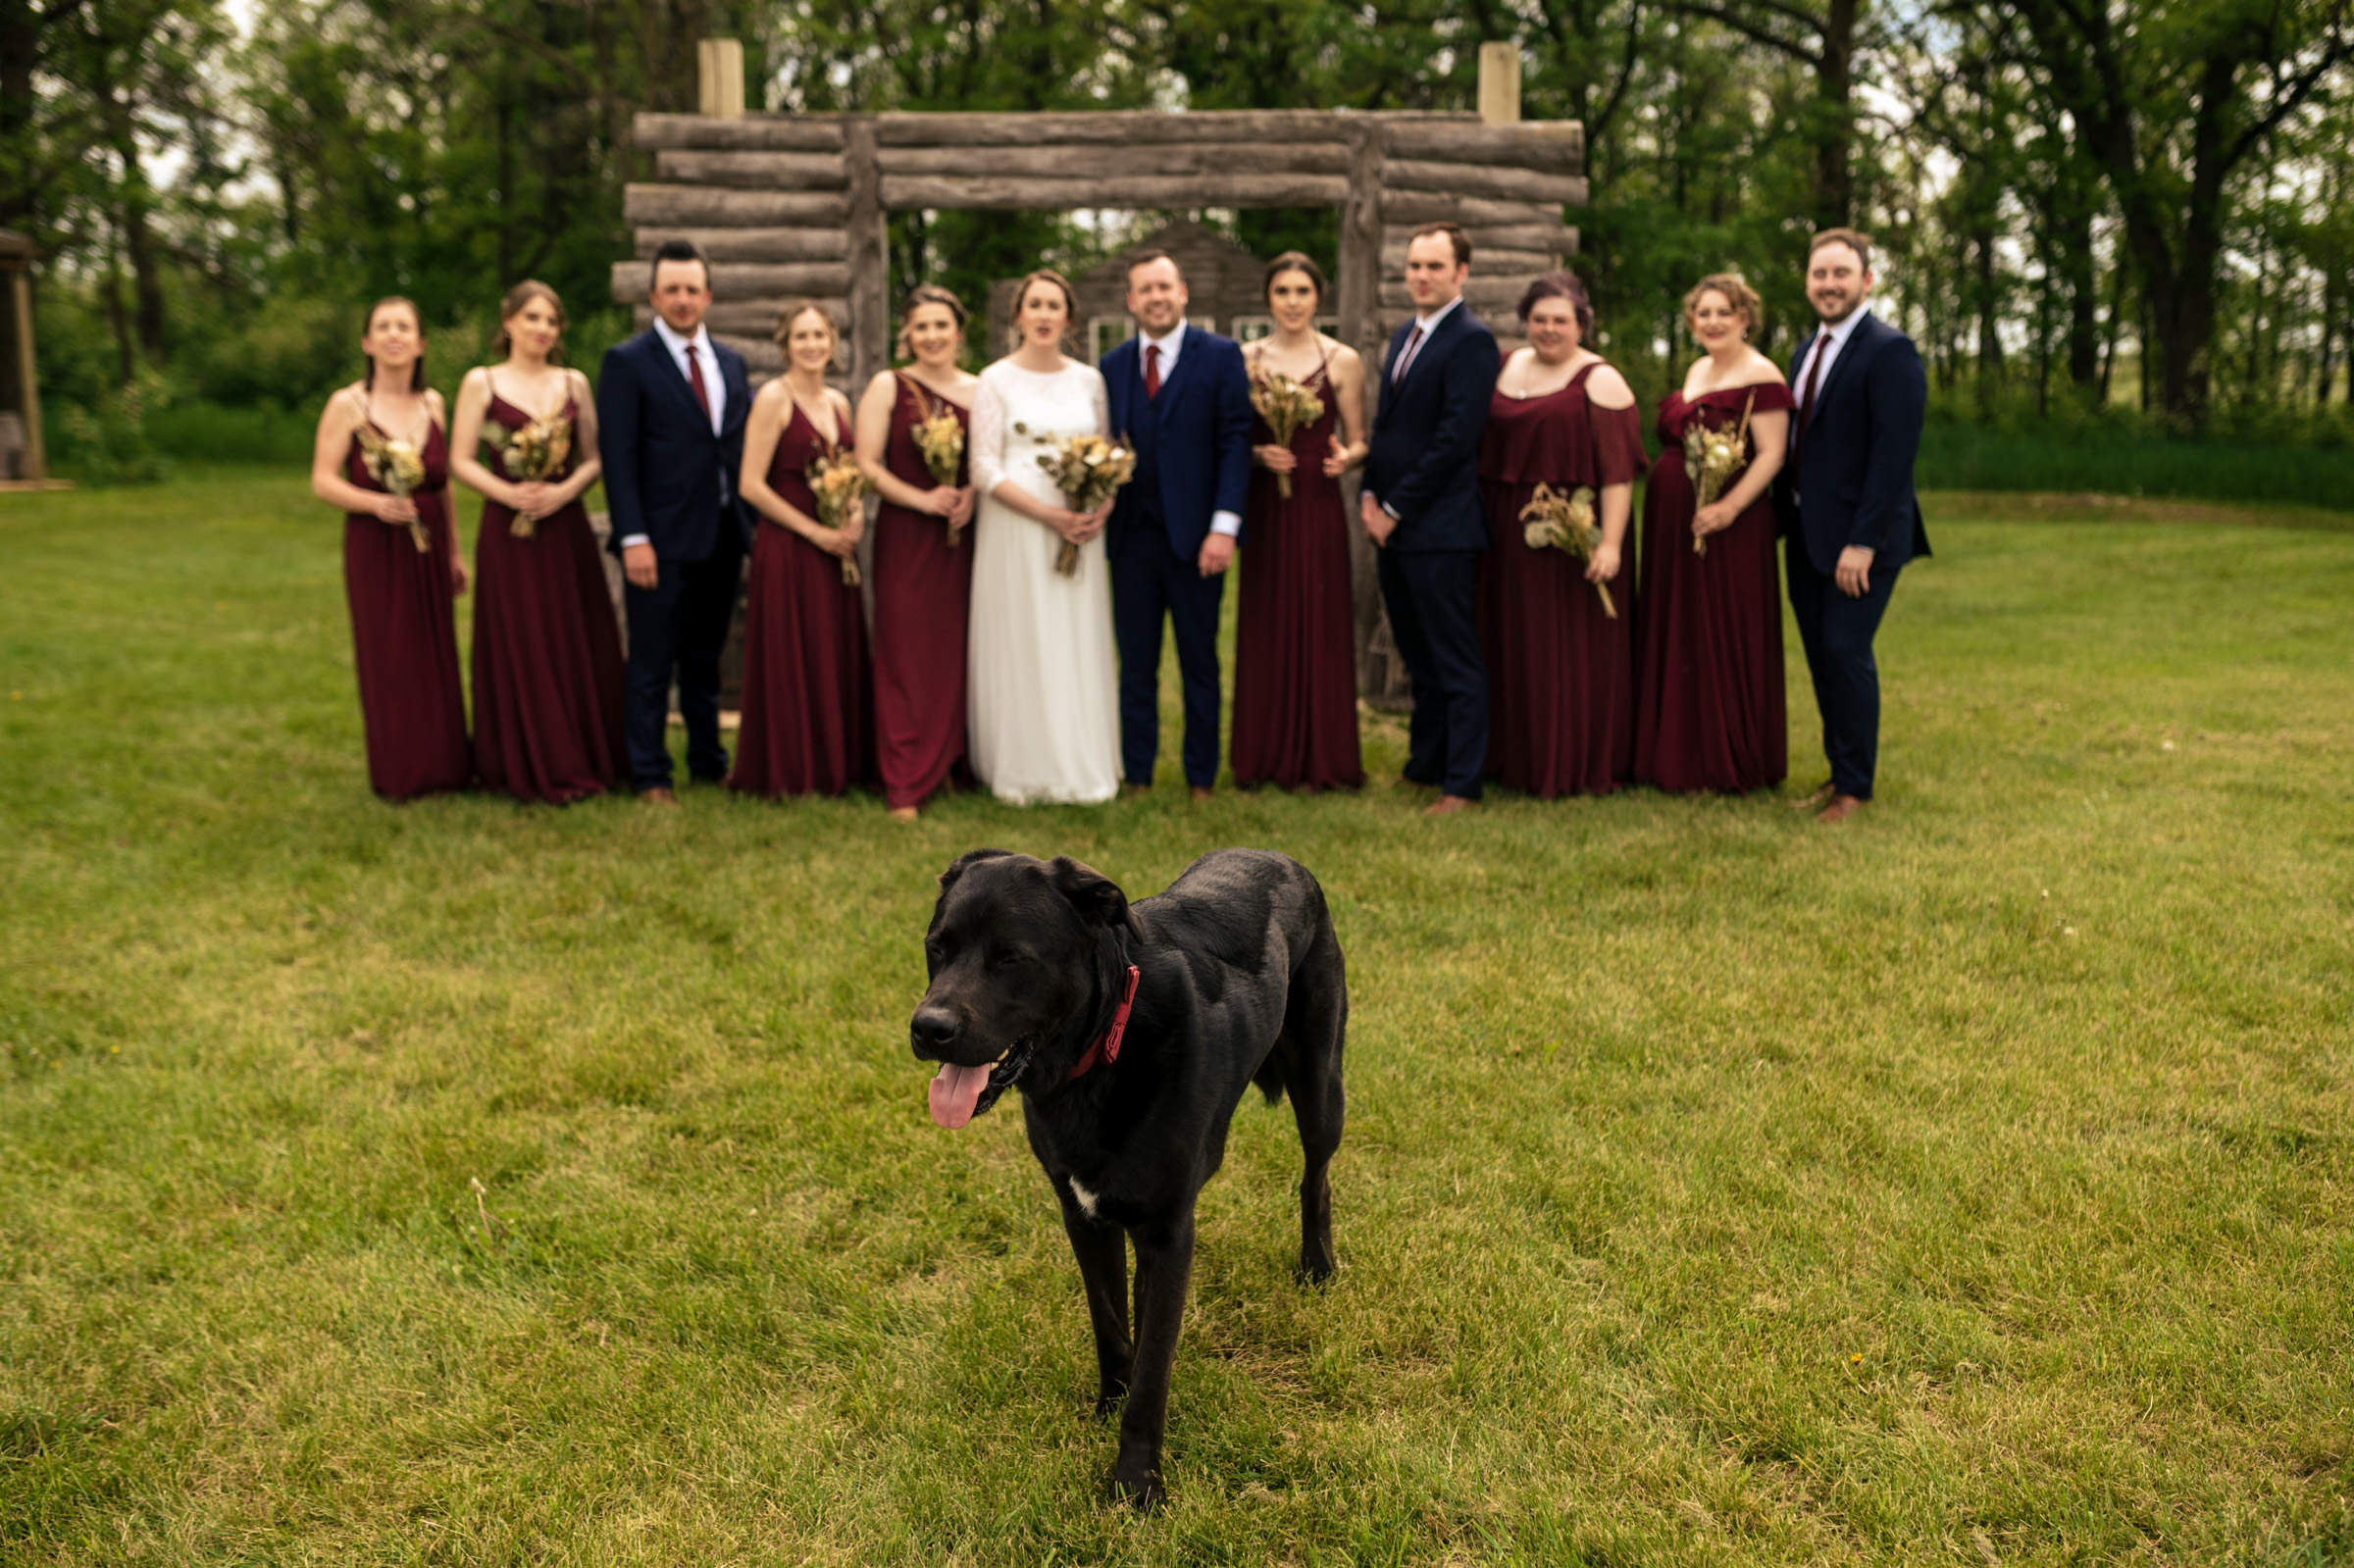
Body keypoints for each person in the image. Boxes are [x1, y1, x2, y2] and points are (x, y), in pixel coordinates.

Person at [1772, 228, 1931, 824]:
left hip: (1861, 542)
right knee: (1820, 655)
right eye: (1820, 274)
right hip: (1807, 536)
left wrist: (1862, 542)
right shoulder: (1803, 350)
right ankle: (1839, 770)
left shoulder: (1890, 351)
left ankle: (1855, 789)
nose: (1829, 284)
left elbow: (1894, 456)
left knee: (1845, 650)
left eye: (1841, 274)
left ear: (1867, 280)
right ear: (1808, 281)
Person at [446, 280, 625, 804]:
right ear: (508, 322)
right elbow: (460, 460)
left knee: (570, 635)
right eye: (532, 319)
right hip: (508, 531)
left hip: (563, 529)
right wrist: (510, 494)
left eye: (550, 321)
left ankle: (581, 752)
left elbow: (593, 456)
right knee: (520, 634)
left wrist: (564, 491)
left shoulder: (574, 384)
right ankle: (521, 758)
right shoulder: (481, 382)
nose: (542, 329)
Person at [1477, 271, 1645, 798]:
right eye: (1539, 320)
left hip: (1575, 533)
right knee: (1513, 644)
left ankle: (1569, 764)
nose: (1549, 330)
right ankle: (1513, 758)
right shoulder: (1506, 365)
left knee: (1564, 652)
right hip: (1507, 528)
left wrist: (1611, 544)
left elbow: (1618, 473)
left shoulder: (1600, 379)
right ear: (1525, 321)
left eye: (1561, 321)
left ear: (1582, 325)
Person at [596, 238, 750, 804]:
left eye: (692, 289)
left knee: (706, 659)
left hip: (720, 535)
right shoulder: (627, 362)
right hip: (657, 541)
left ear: (707, 294)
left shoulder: (731, 362)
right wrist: (632, 536)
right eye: (671, 290)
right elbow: (619, 457)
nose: (683, 300)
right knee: (652, 662)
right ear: (654, 295)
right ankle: (651, 773)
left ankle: (709, 762)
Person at [1100, 251, 1254, 799]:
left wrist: (1224, 526)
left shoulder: (1220, 356)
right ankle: (1138, 775)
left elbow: (1237, 442)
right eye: (1145, 289)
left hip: (1197, 539)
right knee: (1136, 664)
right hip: (1131, 540)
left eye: (1164, 287)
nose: (1156, 297)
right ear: (1131, 300)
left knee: (1199, 661)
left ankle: (1200, 778)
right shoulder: (1114, 364)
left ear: (1183, 292)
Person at [1632, 273, 1794, 794]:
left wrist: (1728, 507)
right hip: (1673, 526)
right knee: (1681, 625)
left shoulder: (1761, 375)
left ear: (1745, 318)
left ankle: (1726, 757)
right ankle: (1676, 750)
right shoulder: (1698, 367)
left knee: (1721, 628)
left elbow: (1772, 453)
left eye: (1724, 312)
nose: (1713, 322)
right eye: (1703, 314)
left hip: (1731, 526)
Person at [1359, 224, 1502, 817]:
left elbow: (1453, 441)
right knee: (1416, 656)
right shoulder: (1405, 334)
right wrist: (1370, 493)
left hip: (1440, 528)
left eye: (1434, 266)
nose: (1421, 276)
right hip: (1394, 526)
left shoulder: (1471, 341)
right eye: (1414, 265)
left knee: (1453, 658)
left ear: (1460, 273)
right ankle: (1424, 766)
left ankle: (1461, 784)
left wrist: (1394, 507)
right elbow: (1389, 429)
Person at [965, 269, 1121, 805]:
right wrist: (1046, 515)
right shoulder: (994, 379)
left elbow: (1105, 454)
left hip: (1079, 530)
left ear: (1068, 317)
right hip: (1017, 528)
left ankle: (1081, 765)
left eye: (1054, 306)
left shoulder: (1088, 381)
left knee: (1072, 640)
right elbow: (983, 467)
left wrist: (1100, 505)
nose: (1044, 315)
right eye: (1034, 305)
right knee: (1026, 638)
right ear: (1018, 316)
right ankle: (1024, 768)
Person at [308, 296, 472, 801]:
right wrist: (375, 504)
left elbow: (443, 487)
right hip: (375, 545)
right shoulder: (347, 405)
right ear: (367, 341)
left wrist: (454, 554)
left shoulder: (435, 404)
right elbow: (321, 480)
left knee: (435, 650)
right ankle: (401, 771)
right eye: (383, 326)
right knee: (390, 653)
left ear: (421, 343)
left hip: (430, 544)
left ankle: (447, 767)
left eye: (405, 327)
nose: (394, 335)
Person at [1232, 252, 1368, 792]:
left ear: (1318, 298)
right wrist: (1259, 454)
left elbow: (1360, 438)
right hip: (1269, 503)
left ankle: (1324, 757)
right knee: (1267, 619)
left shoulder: (1342, 360)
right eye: (1283, 291)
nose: (1292, 302)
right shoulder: (1245, 359)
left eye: (1302, 292)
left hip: (1316, 498)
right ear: (1269, 297)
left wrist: (1348, 458)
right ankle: (1262, 754)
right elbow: (1232, 437)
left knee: (1320, 617)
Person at [730, 302, 873, 797]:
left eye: (819, 335)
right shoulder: (774, 397)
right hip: (791, 547)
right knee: (795, 654)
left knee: (831, 651)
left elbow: (849, 473)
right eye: (801, 337)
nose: (811, 345)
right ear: (785, 344)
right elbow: (751, 484)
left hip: (837, 549)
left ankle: (838, 763)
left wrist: (853, 514)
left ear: (833, 342)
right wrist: (815, 533)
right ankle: (794, 770)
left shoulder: (839, 402)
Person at [855, 285, 979, 821]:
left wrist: (970, 494)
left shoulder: (981, 389)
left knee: (957, 649)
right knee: (906, 652)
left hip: (964, 535)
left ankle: (952, 761)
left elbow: (992, 458)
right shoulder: (890, 384)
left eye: (941, 325)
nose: (931, 336)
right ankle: (905, 777)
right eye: (921, 327)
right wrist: (923, 500)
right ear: (908, 334)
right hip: (907, 535)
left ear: (958, 332)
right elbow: (867, 465)